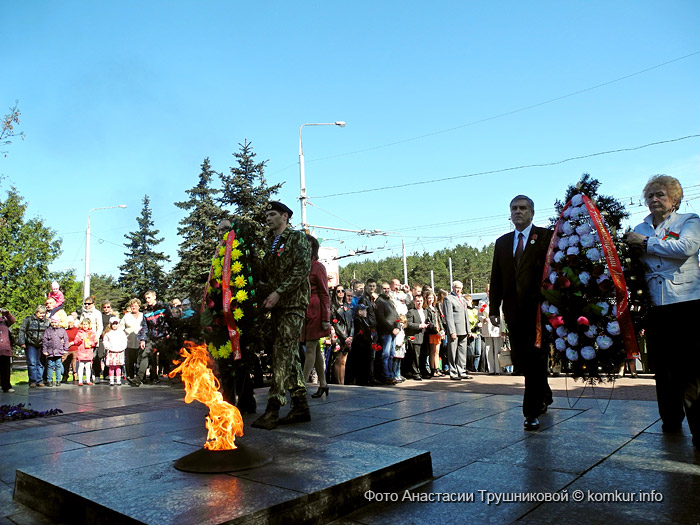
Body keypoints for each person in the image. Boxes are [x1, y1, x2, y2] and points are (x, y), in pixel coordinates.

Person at [623, 175, 700, 448]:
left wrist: (644, 244)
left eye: (661, 195)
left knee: (690, 370)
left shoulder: (689, 221)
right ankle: (670, 422)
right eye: (651, 196)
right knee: (663, 369)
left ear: (674, 199)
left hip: (687, 303)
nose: (655, 200)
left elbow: (686, 248)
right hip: (655, 306)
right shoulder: (640, 226)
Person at [490, 194, 553, 430]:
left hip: (539, 311)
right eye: (514, 208)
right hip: (514, 312)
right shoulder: (502, 242)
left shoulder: (545, 237)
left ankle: (531, 411)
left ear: (532, 212)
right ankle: (544, 394)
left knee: (536, 358)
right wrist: (494, 307)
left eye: (523, 208)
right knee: (524, 360)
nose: (518, 212)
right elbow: (496, 277)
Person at [252, 201, 311, 430]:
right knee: (289, 352)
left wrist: (278, 292)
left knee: (282, 350)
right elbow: (265, 272)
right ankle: (300, 404)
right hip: (277, 304)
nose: (268, 218)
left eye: (272, 214)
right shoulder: (270, 242)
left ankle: (273, 407)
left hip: (293, 302)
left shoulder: (297, 239)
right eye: (266, 214)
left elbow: (301, 270)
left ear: (285, 216)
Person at [301, 235, 331, 398]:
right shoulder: (302, 265)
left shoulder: (318, 267)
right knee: (315, 350)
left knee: (311, 348)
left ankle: (301, 386)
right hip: (306, 311)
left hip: (316, 311)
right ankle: (324, 384)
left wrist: (326, 318)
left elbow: (325, 294)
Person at [132, 291, 171, 386]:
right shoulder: (146, 312)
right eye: (146, 298)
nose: (147, 300)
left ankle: (175, 377)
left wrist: (169, 332)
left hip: (164, 336)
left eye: (149, 298)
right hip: (152, 338)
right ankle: (138, 379)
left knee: (169, 357)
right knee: (145, 355)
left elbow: (170, 320)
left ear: (154, 297)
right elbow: (145, 327)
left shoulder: (164, 308)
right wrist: (143, 339)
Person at [443, 281, 471, 381]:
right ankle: (453, 372)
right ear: (453, 288)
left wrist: (468, 329)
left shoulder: (462, 299)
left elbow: (465, 316)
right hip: (454, 330)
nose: (458, 289)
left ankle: (462, 371)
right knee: (452, 352)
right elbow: (449, 317)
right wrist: (452, 331)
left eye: (459, 288)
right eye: (456, 287)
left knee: (462, 352)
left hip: (463, 330)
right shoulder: (448, 299)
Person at [375, 282, 401, 385]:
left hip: (393, 332)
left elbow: (396, 315)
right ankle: (386, 375)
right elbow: (380, 318)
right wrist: (391, 329)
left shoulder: (390, 301)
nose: (386, 290)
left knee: (391, 355)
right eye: (384, 288)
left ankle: (391, 375)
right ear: (381, 289)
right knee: (385, 355)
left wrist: (398, 327)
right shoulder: (380, 301)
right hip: (386, 332)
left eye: (387, 289)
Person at [18, 305, 50, 387]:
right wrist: (22, 342)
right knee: (32, 363)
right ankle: (32, 381)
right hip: (30, 344)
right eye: (40, 313)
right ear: (36, 312)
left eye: (43, 313)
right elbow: (22, 330)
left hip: (42, 344)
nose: (42, 315)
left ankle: (39, 380)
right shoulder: (28, 320)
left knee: (40, 363)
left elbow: (49, 333)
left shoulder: (46, 321)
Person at [331, 285, 354, 385]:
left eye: (342, 291)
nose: (341, 293)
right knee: (338, 360)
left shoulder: (347, 306)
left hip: (348, 336)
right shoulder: (333, 306)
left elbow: (352, 322)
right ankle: (338, 383)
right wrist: (344, 337)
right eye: (338, 291)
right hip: (339, 337)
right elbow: (335, 323)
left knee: (344, 361)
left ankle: (342, 382)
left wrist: (351, 336)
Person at [119, 298, 147, 380]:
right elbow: (121, 328)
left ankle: (141, 378)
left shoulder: (143, 315)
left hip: (141, 343)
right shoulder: (126, 316)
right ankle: (130, 377)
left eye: (135, 306)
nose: (133, 307)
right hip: (129, 342)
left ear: (139, 306)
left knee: (140, 361)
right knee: (130, 362)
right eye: (132, 306)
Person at [479, 285, 503, 375]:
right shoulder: (482, 302)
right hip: (487, 327)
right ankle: (491, 369)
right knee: (488, 349)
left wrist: (503, 329)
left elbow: (502, 315)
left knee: (497, 349)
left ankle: (498, 369)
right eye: (488, 291)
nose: (489, 292)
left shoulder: (499, 301)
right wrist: (482, 319)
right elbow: (479, 315)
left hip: (496, 327)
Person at [404, 293, 428, 380]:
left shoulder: (425, 311)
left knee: (423, 355)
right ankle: (415, 373)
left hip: (424, 336)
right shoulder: (411, 312)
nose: (419, 303)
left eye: (421, 301)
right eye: (417, 301)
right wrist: (419, 326)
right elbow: (408, 324)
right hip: (415, 336)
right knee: (415, 356)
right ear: (414, 302)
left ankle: (422, 371)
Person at [42, 315, 69, 387]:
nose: (54, 324)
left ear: (59, 323)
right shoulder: (48, 331)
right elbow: (44, 341)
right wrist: (44, 350)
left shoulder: (62, 331)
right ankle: (49, 380)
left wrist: (65, 349)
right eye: (53, 322)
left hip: (59, 352)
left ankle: (58, 380)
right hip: (50, 352)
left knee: (58, 366)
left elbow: (66, 340)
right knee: (50, 366)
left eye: (56, 323)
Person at [72, 318, 98, 386]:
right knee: (81, 366)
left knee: (88, 366)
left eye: (86, 324)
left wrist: (91, 343)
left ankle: (88, 380)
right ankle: (80, 381)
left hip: (89, 352)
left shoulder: (92, 333)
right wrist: (79, 340)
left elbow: (95, 342)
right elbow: (75, 341)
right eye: (83, 324)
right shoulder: (79, 333)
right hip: (81, 352)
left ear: (89, 325)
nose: (85, 326)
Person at [104, 317, 127, 386]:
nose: (114, 326)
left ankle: (118, 379)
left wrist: (122, 347)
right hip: (111, 352)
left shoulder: (121, 333)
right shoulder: (108, 334)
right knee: (111, 367)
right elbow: (105, 341)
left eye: (116, 324)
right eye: (113, 324)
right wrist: (108, 347)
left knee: (118, 366)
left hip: (119, 352)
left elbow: (124, 341)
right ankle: (111, 380)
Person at [0, 308, 17, 393]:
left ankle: (6, 386)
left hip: (5, 348)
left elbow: (13, 320)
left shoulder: (4, 320)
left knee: (5, 369)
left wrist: (7, 314)